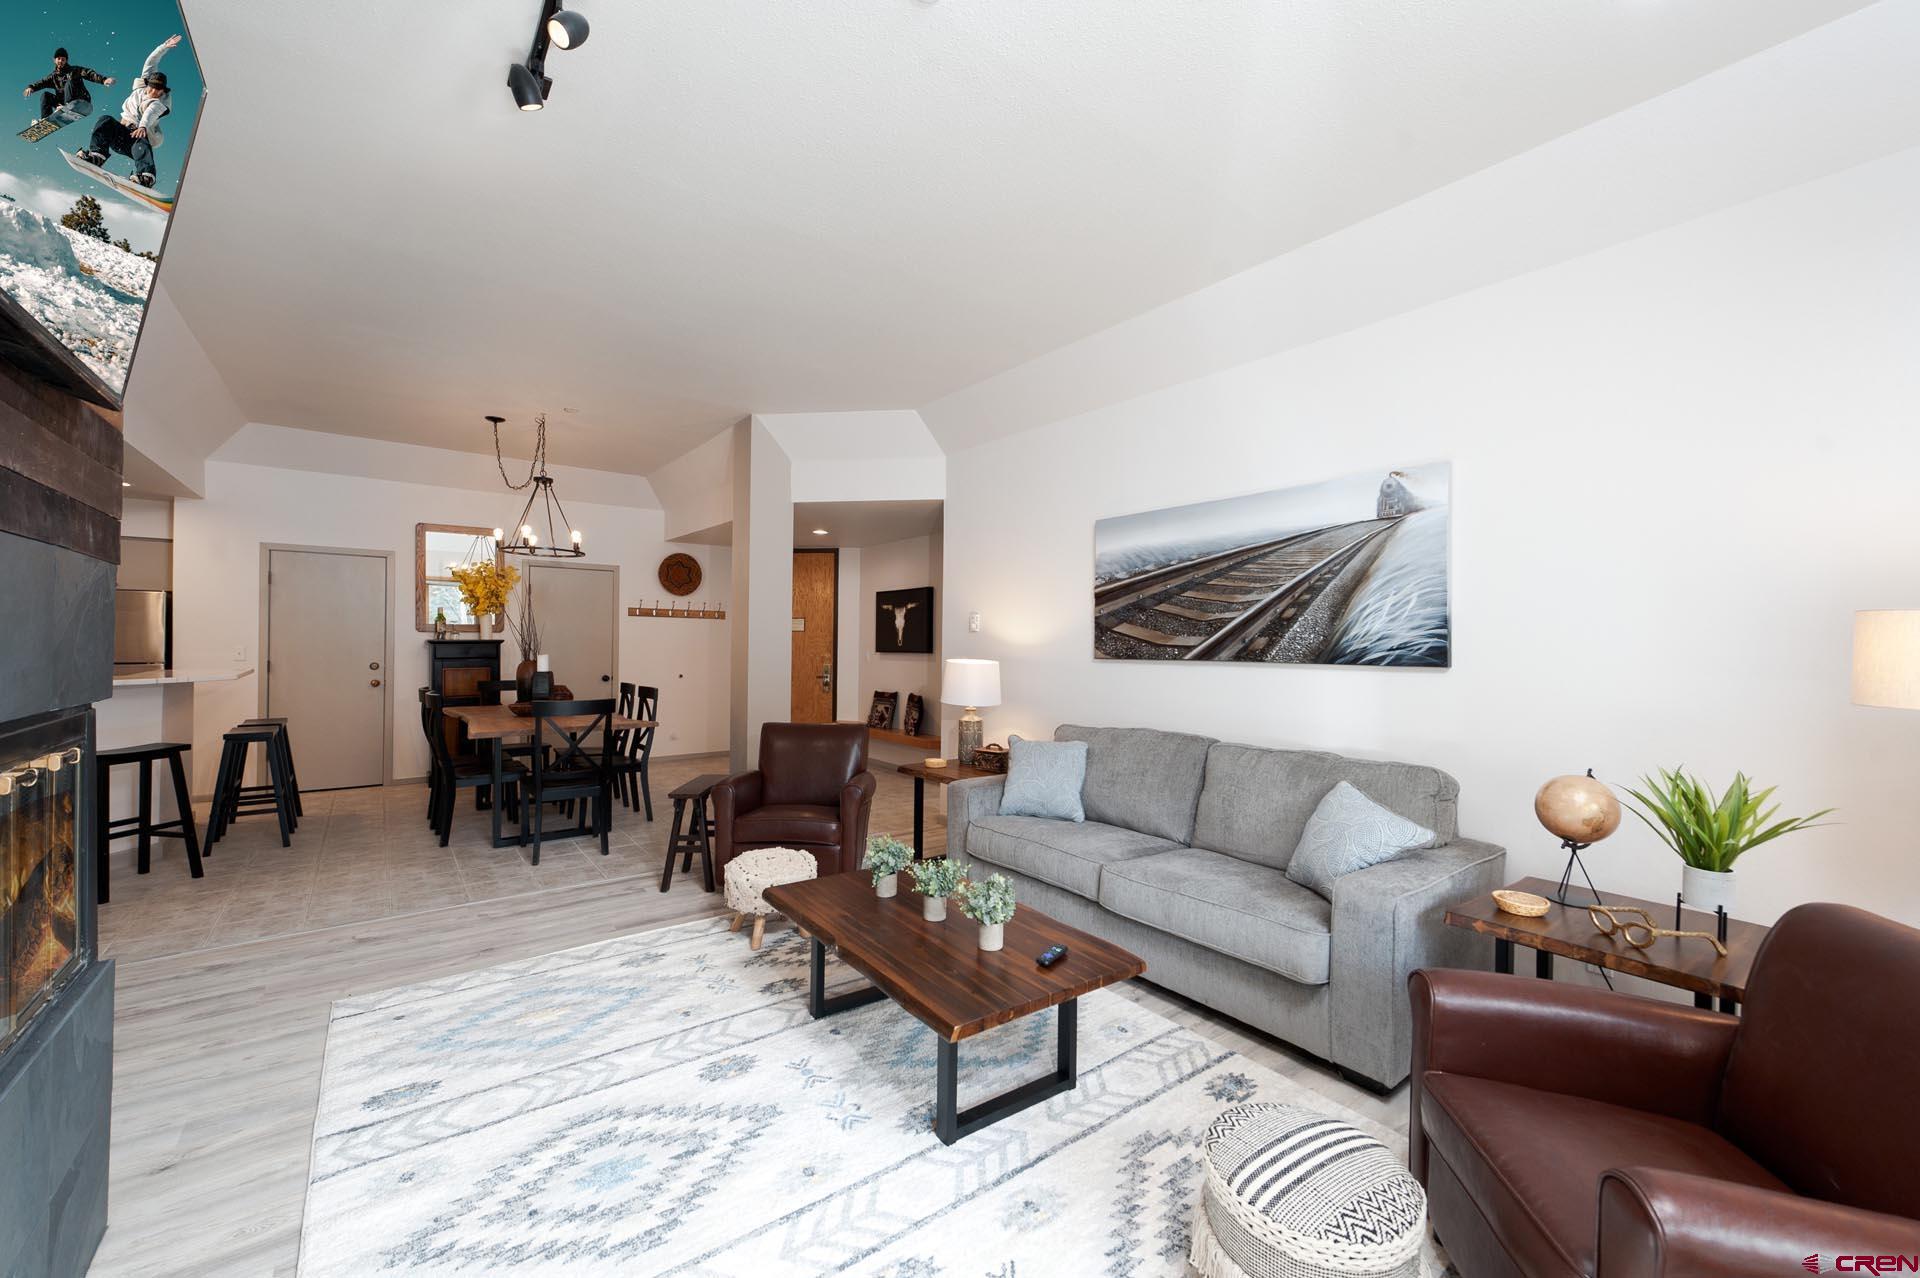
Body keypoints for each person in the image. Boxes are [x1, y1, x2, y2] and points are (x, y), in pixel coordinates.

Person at [78, 35, 181, 189]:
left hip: (134, 142)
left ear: (162, 91)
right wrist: (164, 46)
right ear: (148, 84)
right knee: (105, 119)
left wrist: (143, 126)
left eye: (158, 90)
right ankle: (97, 156)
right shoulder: (141, 87)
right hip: (118, 135)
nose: (153, 92)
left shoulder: (161, 104)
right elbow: (150, 62)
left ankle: (146, 176)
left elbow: (150, 112)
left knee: (142, 138)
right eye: (151, 87)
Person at [21, 47, 114, 122]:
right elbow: (41, 82)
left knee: (70, 81)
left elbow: (89, 73)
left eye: (63, 59)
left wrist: (103, 80)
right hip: (63, 104)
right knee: (45, 95)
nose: (60, 61)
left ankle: (67, 107)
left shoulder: (74, 70)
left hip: (81, 100)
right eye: (59, 59)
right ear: (54, 60)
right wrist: (31, 87)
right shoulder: (53, 77)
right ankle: (46, 119)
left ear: (66, 60)